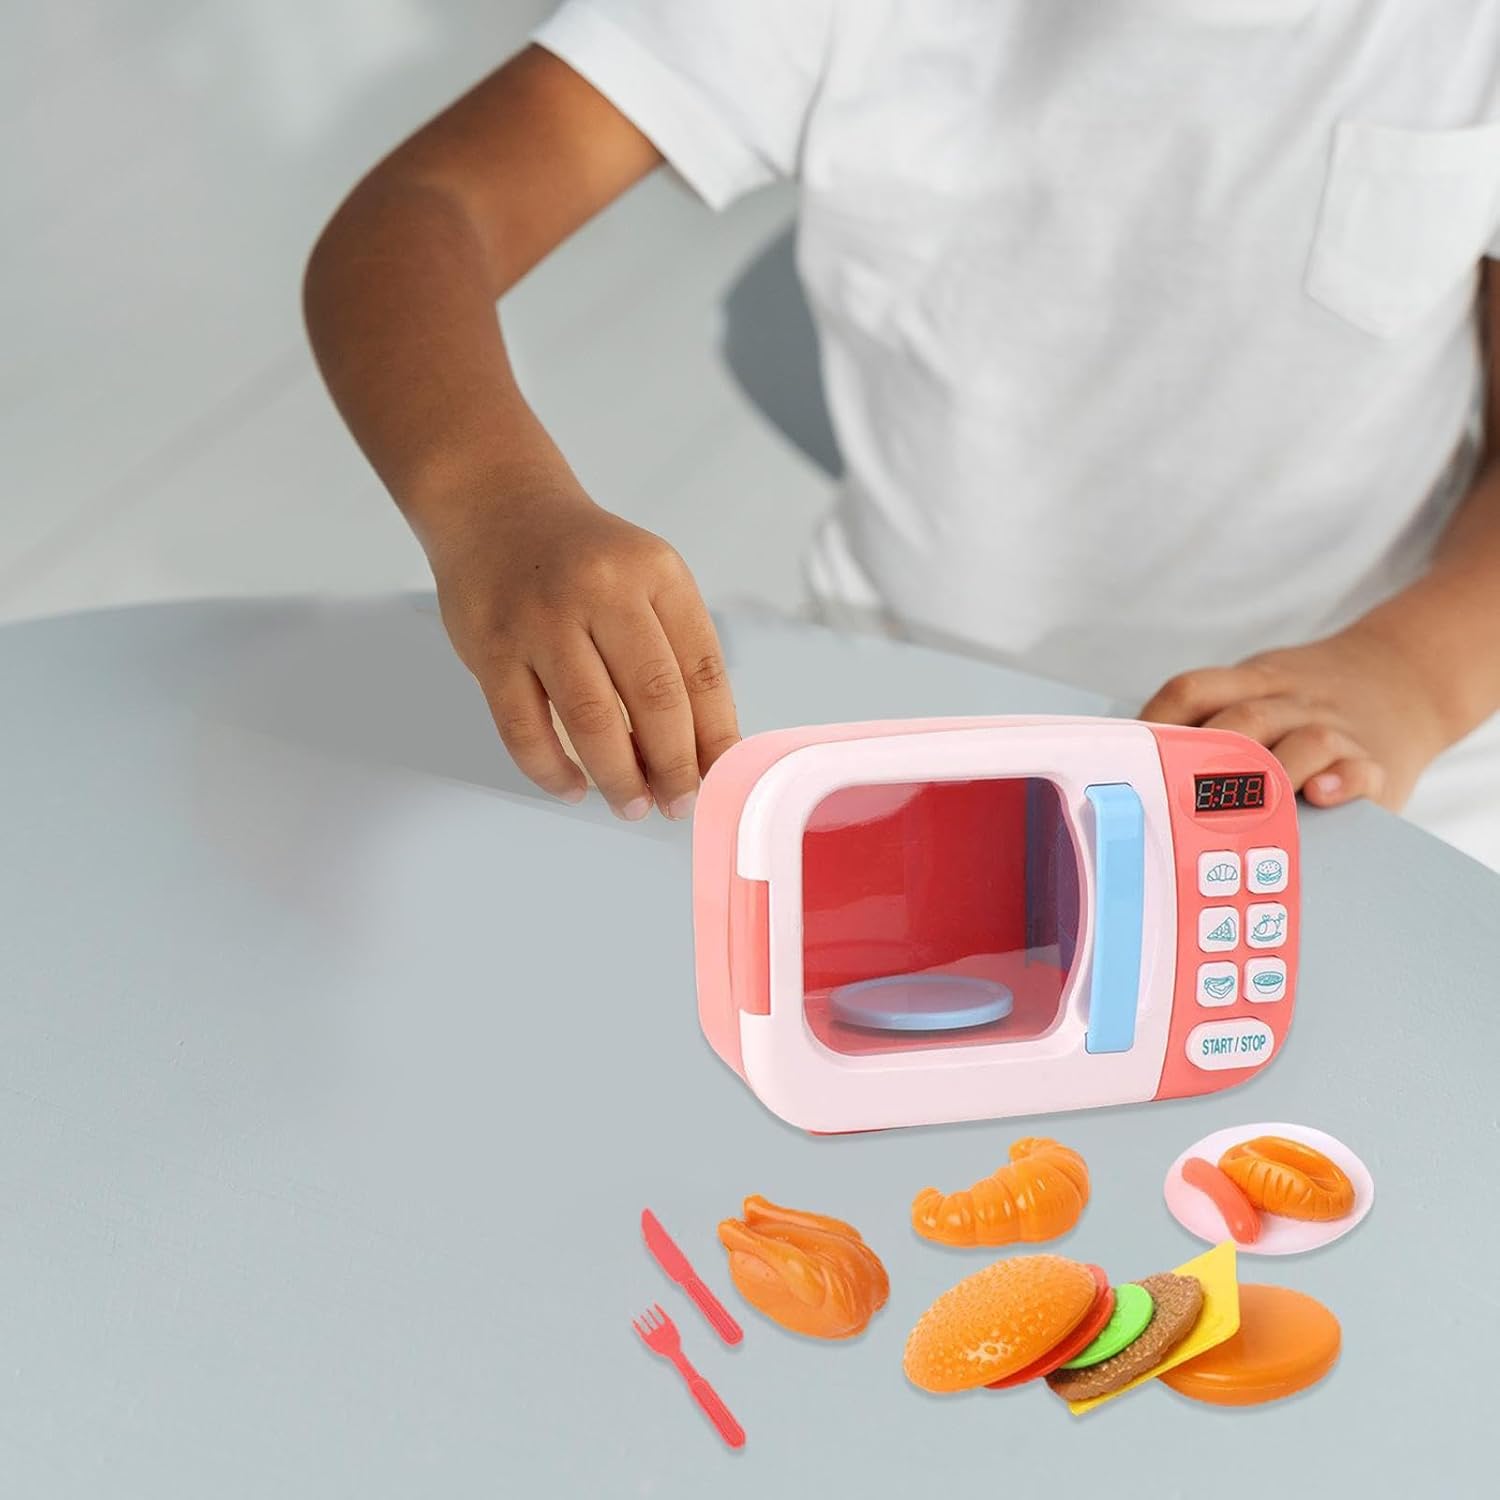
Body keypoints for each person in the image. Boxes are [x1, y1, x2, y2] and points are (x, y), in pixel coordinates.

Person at [304, 0, 1500, 869]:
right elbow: (424, 210)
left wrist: (1408, 677)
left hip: (1382, 781)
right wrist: (498, 506)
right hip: (917, 730)